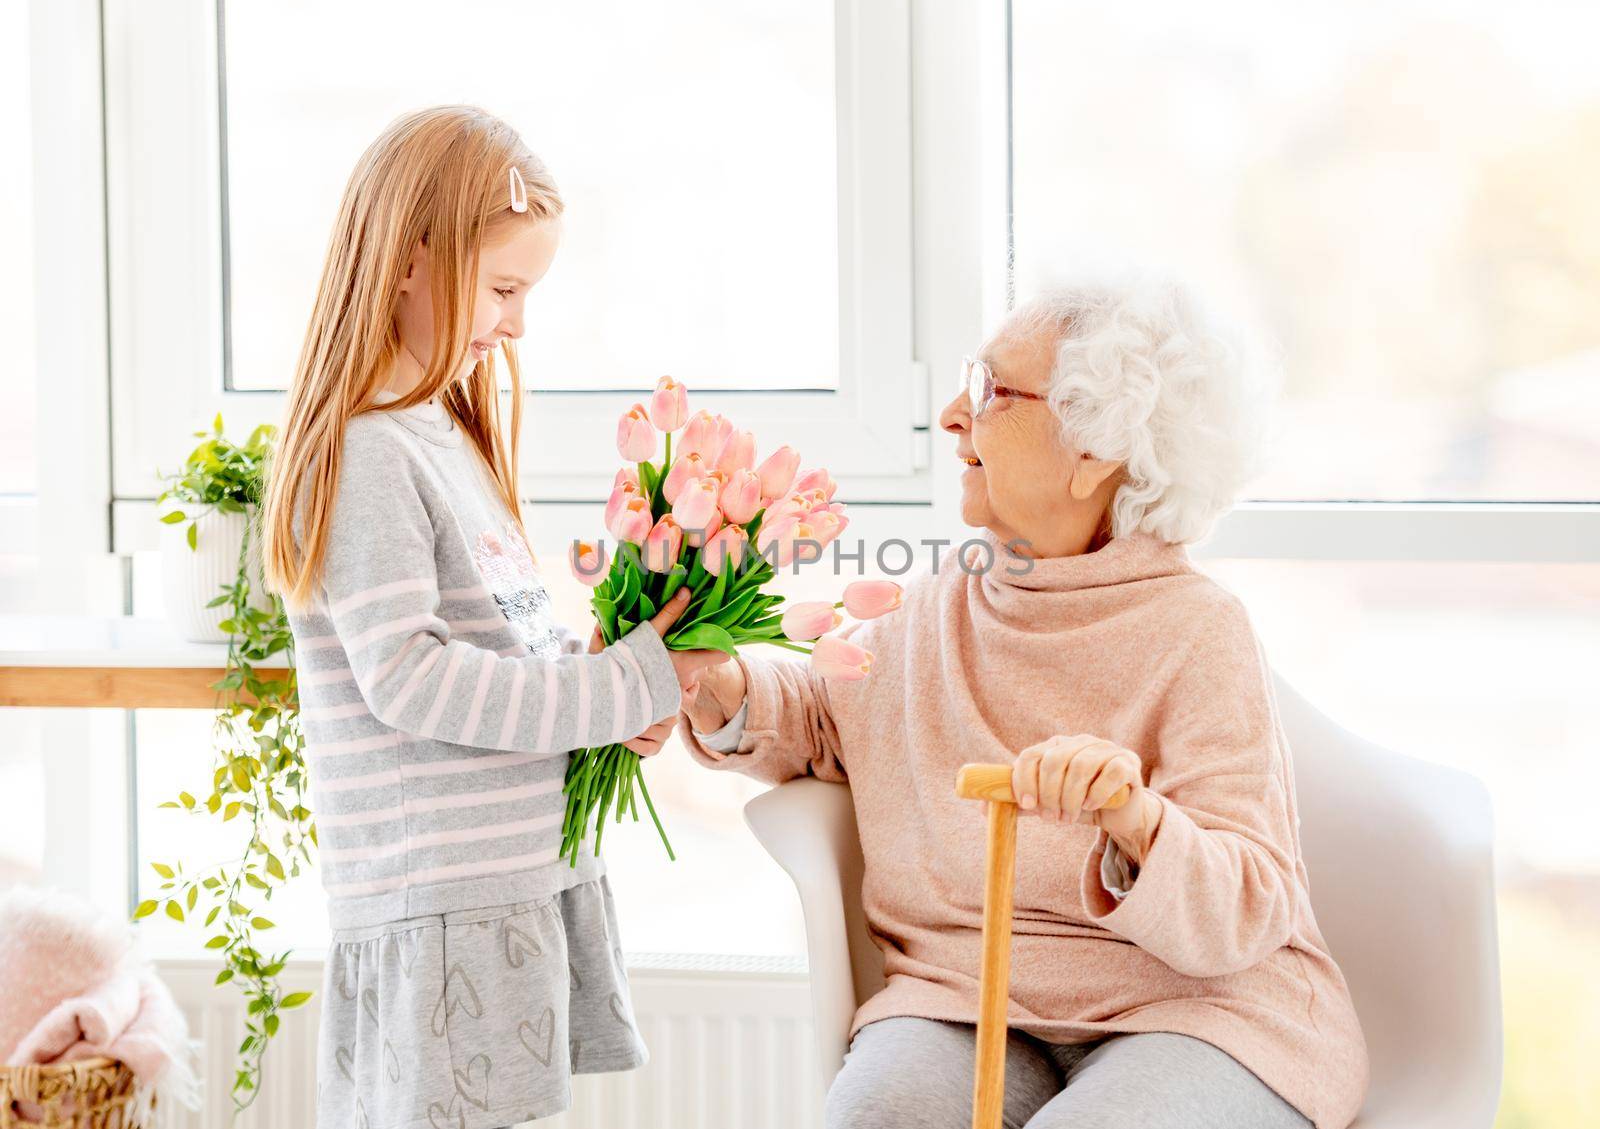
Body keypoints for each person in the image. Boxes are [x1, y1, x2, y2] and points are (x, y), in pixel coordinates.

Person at [681, 281, 1370, 1128]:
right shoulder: (929, 605)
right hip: (964, 998)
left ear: (1097, 448)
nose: (949, 416)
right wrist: (720, 686)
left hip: (1199, 1011)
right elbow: (826, 718)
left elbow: (1246, 906)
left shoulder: (1199, 630)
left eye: (990, 392)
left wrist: (1134, 819)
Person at [261, 105, 722, 1128]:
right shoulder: (373, 454)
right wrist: (619, 684)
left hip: (499, 886)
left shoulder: (441, 436)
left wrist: (598, 690)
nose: (516, 321)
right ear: (411, 260)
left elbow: (497, 640)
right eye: (504, 288)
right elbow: (412, 679)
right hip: (446, 907)